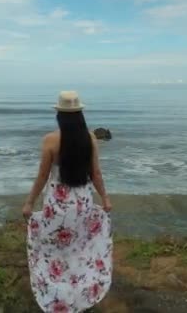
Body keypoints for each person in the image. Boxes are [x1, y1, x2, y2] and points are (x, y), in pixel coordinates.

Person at [21, 91, 113, 313]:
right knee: (80, 248)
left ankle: (59, 296)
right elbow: (96, 174)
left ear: (59, 115)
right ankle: (80, 293)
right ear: (80, 113)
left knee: (55, 250)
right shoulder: (90, 138)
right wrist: (106, 199)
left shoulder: (50, 140)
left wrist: (29, 203)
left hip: (58, 206)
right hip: (83, 203)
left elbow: (42, 177)